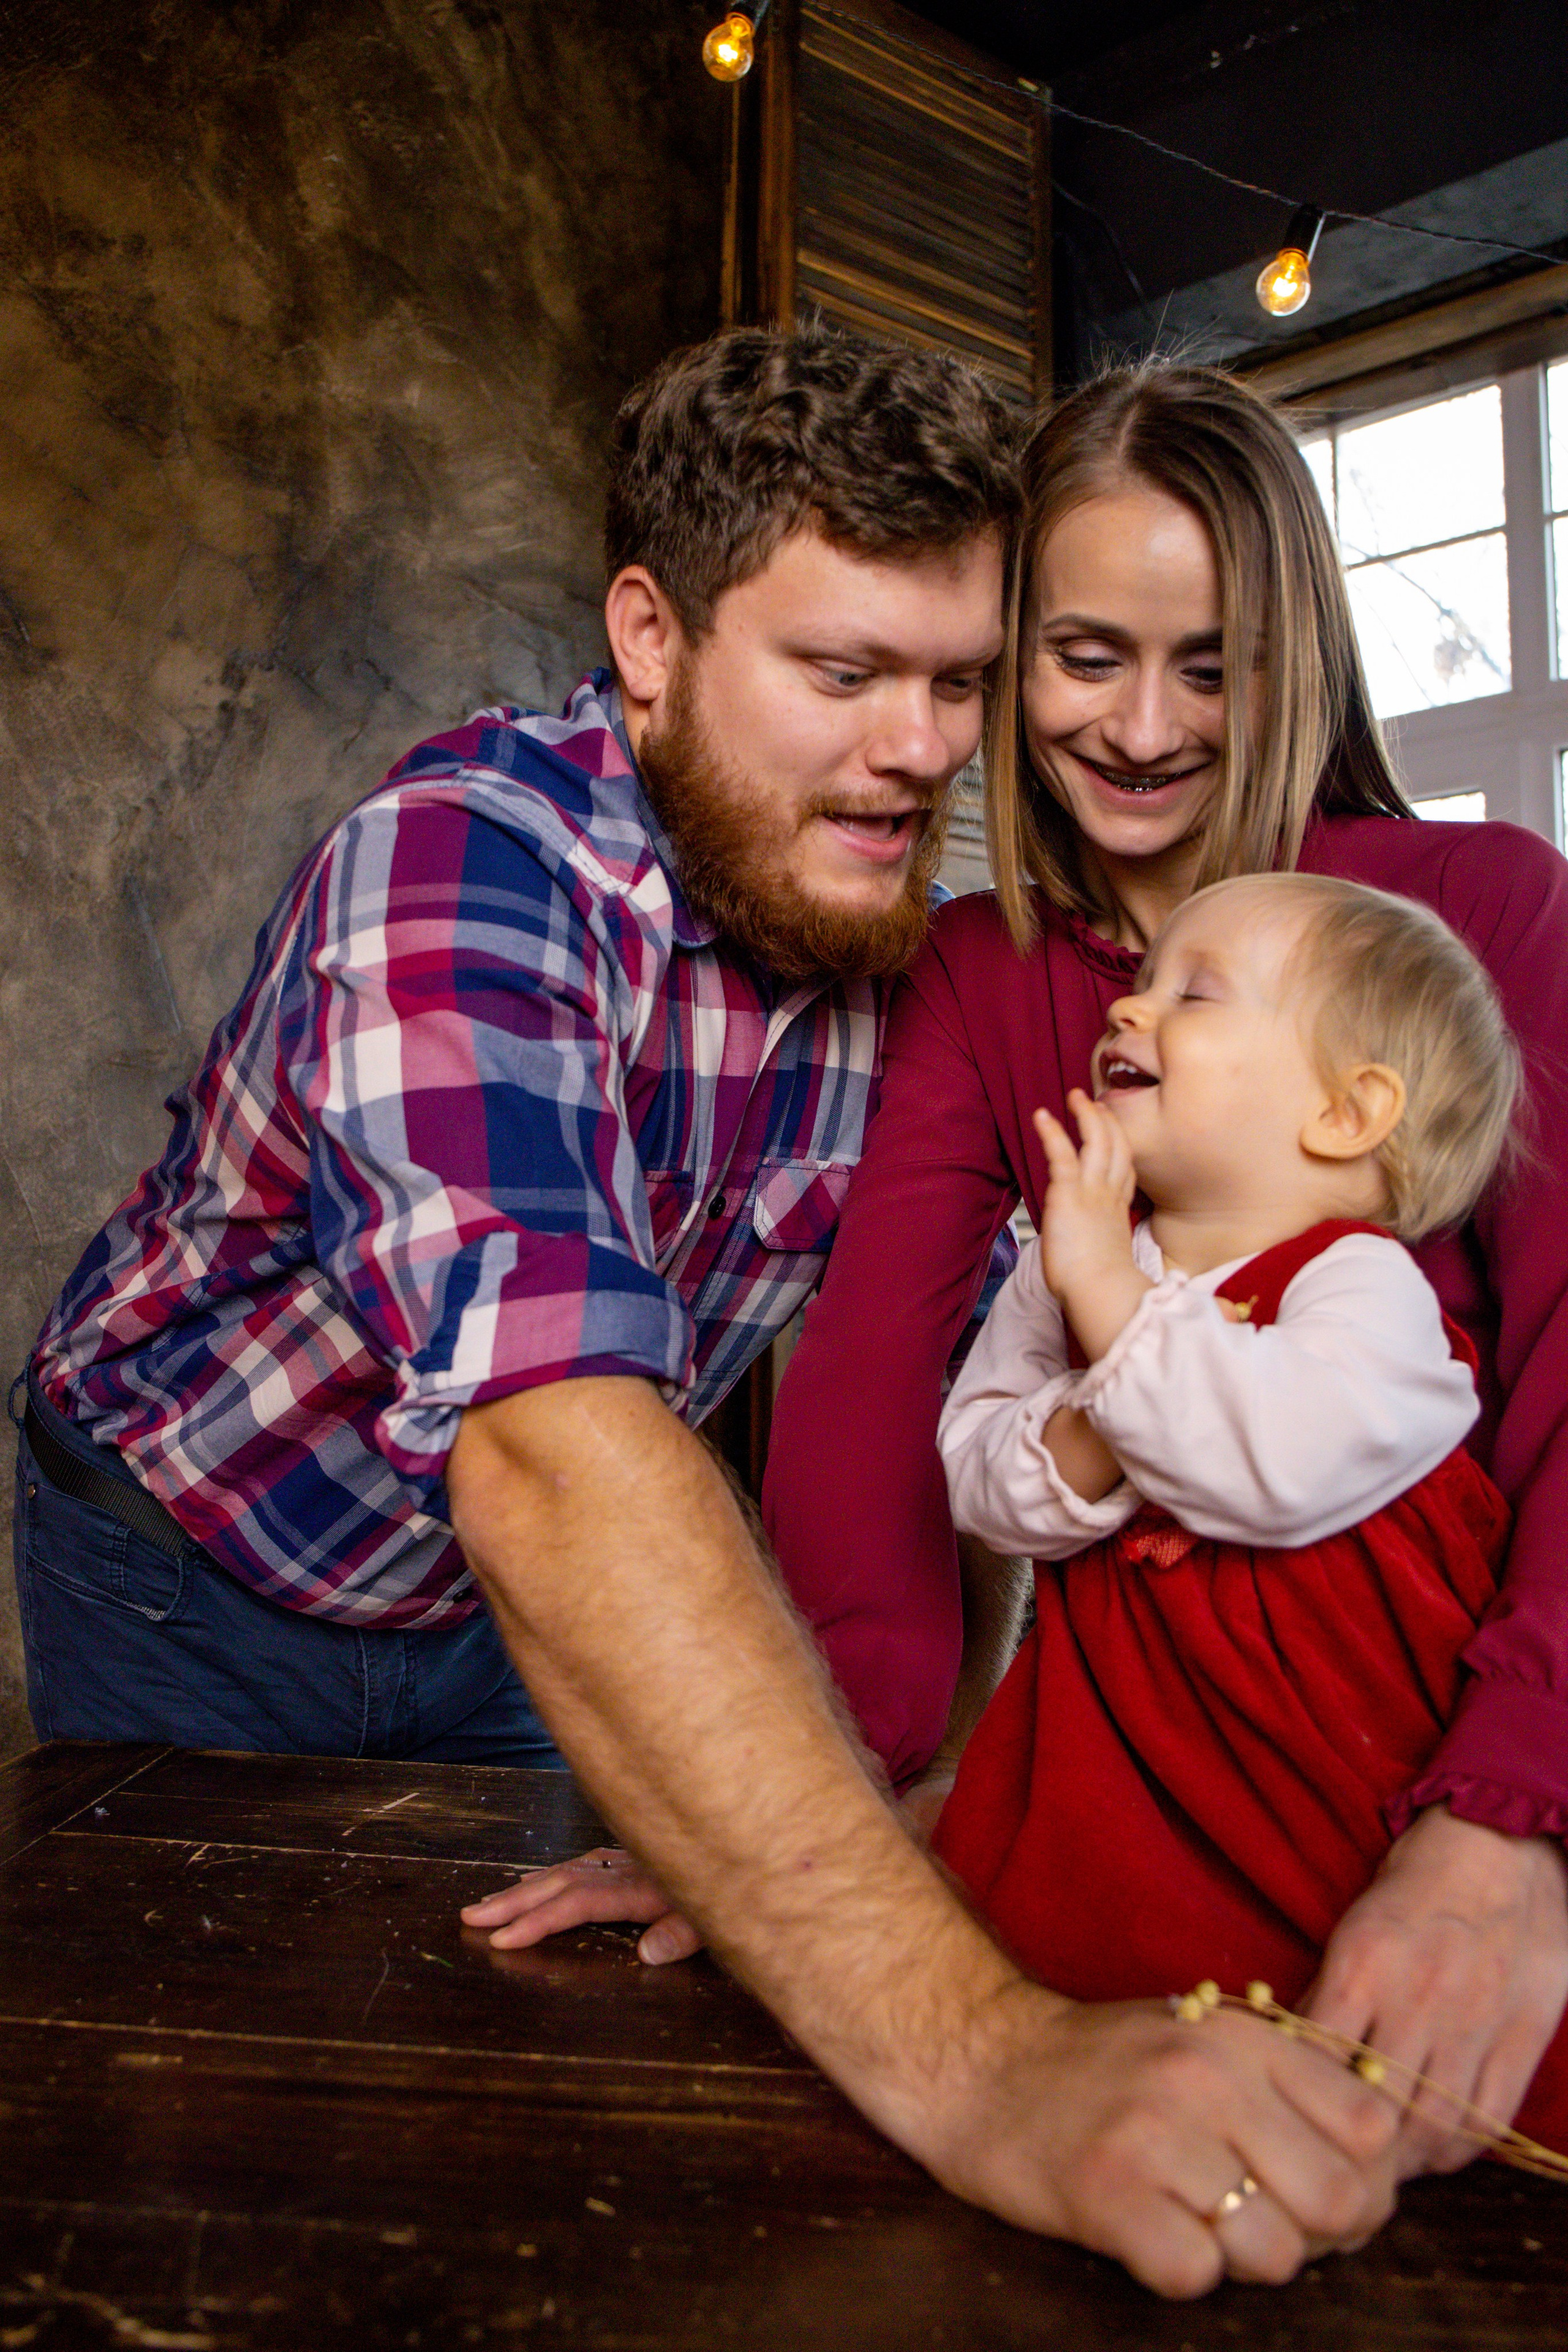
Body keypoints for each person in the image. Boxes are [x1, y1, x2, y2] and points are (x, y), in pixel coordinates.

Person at [12, 326, 1400, 2299]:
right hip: (192, 1565)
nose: (924, 751)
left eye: (958, 681)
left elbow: (943, 1400)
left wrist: (880, 1789)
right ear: (649, 641)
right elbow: (561, 1447)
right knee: (198, 2137)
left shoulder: (907, 953)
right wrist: (989, 2060)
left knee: (525, 2076)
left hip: (507, 1603)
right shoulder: (462, 865)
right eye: (843, 675)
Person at [758, 360, 1568, 2198]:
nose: (1140, 726)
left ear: (1303, 663)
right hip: (1121, 1778)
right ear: (1009, 657)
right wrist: (801, 1805)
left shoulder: (1487, 909)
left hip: (1429, 1753)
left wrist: (1514, 1820)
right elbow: (879, 1391)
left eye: (1211, 663)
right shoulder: (981, 965)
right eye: (1085, 652)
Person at [930, 869, 1566, 2154]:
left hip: (1317, 1774)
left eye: (1191, 993)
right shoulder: (1073, 1263)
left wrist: (1108, 1304)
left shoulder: (1362, 1290)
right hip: (1119, 1762)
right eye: (1136, 978)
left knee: (1347, 2062)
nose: (1127, 1011)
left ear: (1343, 1112)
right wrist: (1096, 1337)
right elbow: (980, 1477)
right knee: (1080, 1977)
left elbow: (1266, 1463)